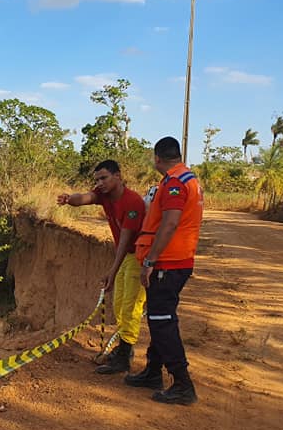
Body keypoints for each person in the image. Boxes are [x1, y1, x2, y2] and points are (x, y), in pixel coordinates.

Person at [126, 136, 204, 405]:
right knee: (160, 318)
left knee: (162, 321)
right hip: (176, 261)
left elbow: (169, 224)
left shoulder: (174, 184)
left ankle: (182, 383)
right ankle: (152, 372)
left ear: (157, 157)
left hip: (167, 264)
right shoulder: (186, 179)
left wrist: (150, 261)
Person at [57, 160, 146, 374]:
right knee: (118, 305)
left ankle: (124, 357)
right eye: (97, 179)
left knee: (130, 307)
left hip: (139, 256)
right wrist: (69, 199)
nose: (100, 183)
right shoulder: (104, 195)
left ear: (118, 176)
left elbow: (125, 242)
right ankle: (124, 349)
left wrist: (111, 273)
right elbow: (85, 198)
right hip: (126, 257)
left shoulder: (132, 202)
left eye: (104, 177)